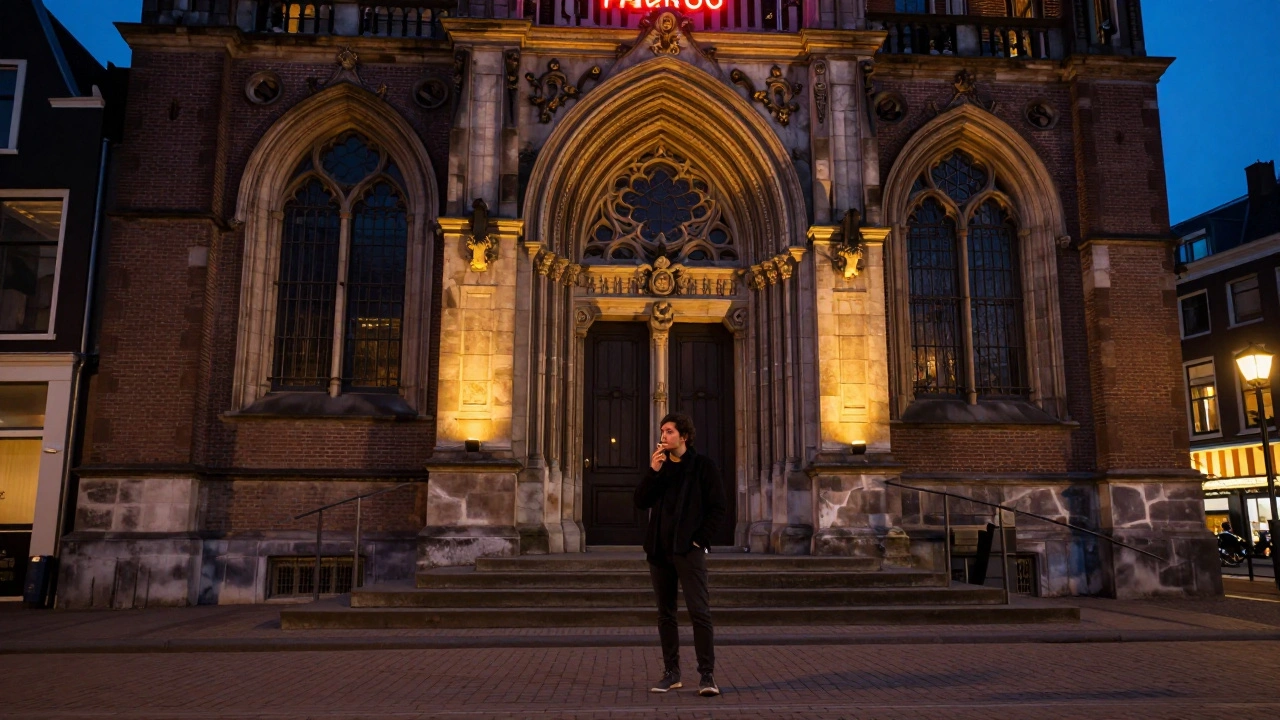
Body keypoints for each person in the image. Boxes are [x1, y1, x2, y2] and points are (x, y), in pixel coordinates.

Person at [634, 411, 727, 697]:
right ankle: (671, 673)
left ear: (684, 436)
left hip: (688, 551)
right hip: (660, 551)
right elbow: (641, 502)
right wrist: (653, 472)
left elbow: (718, 507)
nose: (663, 436)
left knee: (699, 612)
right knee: (666, 614)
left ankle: (707, 675)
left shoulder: (702, 467)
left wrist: (699, 541)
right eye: (662, 431)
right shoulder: (661, 467)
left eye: (669, 431)